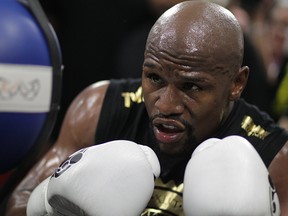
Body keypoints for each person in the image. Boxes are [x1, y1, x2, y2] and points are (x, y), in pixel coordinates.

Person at [4, 0, 288, 215]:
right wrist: (48, 200)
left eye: (191, 87)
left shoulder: (273, 157)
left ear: (236, 84)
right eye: (154, 78)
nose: (166, 105)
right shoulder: (98, 109)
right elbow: (17, 201)